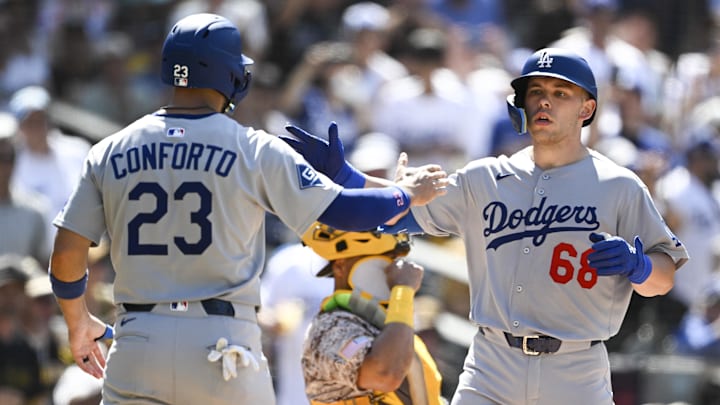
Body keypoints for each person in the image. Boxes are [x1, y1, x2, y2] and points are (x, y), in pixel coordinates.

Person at [48, 13, 447, 405]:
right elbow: (344, 212)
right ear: (229, 75)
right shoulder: (253, 147)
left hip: (138, 341)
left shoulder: (109, 150)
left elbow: (66, 254)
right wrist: (405, 193)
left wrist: (78, 322)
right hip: (221, 347)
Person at [286, 47, 689, 404]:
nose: (544, 103)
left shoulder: (619, 185)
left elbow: (664, 278)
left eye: (560, 94)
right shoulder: (485, 178)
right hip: (492, 365)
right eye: (536, 93)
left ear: (586, 109)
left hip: (577, 369)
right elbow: (402, 208)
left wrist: (641, 267)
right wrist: (348, 178)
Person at [300, 222, 445, 404]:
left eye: (394, 259)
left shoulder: (393, 326)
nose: (394, 270)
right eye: (380, 259)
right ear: (340, 267)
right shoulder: (328, 329)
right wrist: (403, 291)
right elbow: (385, 374)